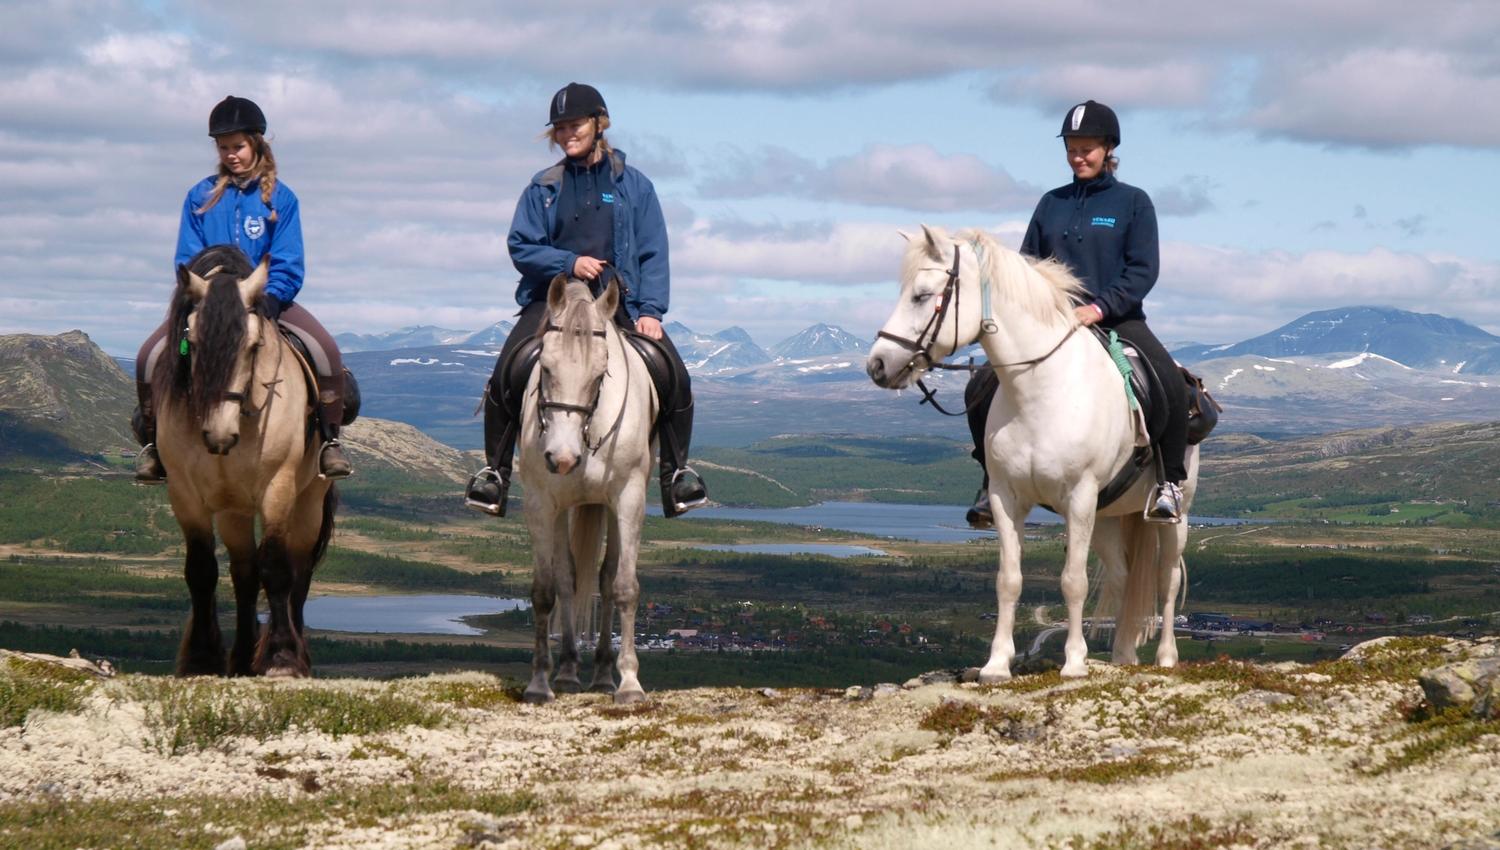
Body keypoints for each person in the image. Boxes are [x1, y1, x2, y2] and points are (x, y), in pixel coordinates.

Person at [465, 82, 708, 518]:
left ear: (599, 124)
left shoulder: (635, 186)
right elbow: (521, 245)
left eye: (574, 124)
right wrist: (568, 262)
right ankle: (495, 475)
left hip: (620, 301)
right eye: (559, 128)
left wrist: (651, 312)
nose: (566, 134)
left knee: (676, 378)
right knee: (506, 374)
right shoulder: (542, 187)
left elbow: (654, 250)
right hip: (552, 301)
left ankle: (676, 476)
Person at [964, 99, 1188, 526]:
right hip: (1051, 326)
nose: (1078, 156)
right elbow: (1026, 266)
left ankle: (1169, 484)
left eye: (1087, 148)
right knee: (981, 386)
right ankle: (988, 479)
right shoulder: (1051, 203)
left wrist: (1099, 308)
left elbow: (1143, 269)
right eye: (1071, 148)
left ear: (1108, 149)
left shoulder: (1134, 203)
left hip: (1118, 320)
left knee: (1169, 382)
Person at [132, 95, 352, 482]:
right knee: (149, 356)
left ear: (256, 144)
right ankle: (153, 444)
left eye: (238, 146)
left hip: (263, 300)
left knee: (327, 351)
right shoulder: (199, 196)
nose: (231, 154)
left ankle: (329, 441)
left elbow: (288, 258)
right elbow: (187, 255)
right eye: (223, 147)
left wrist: (272, 294)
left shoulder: (281, 198)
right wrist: (199, 292)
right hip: (208, 302)